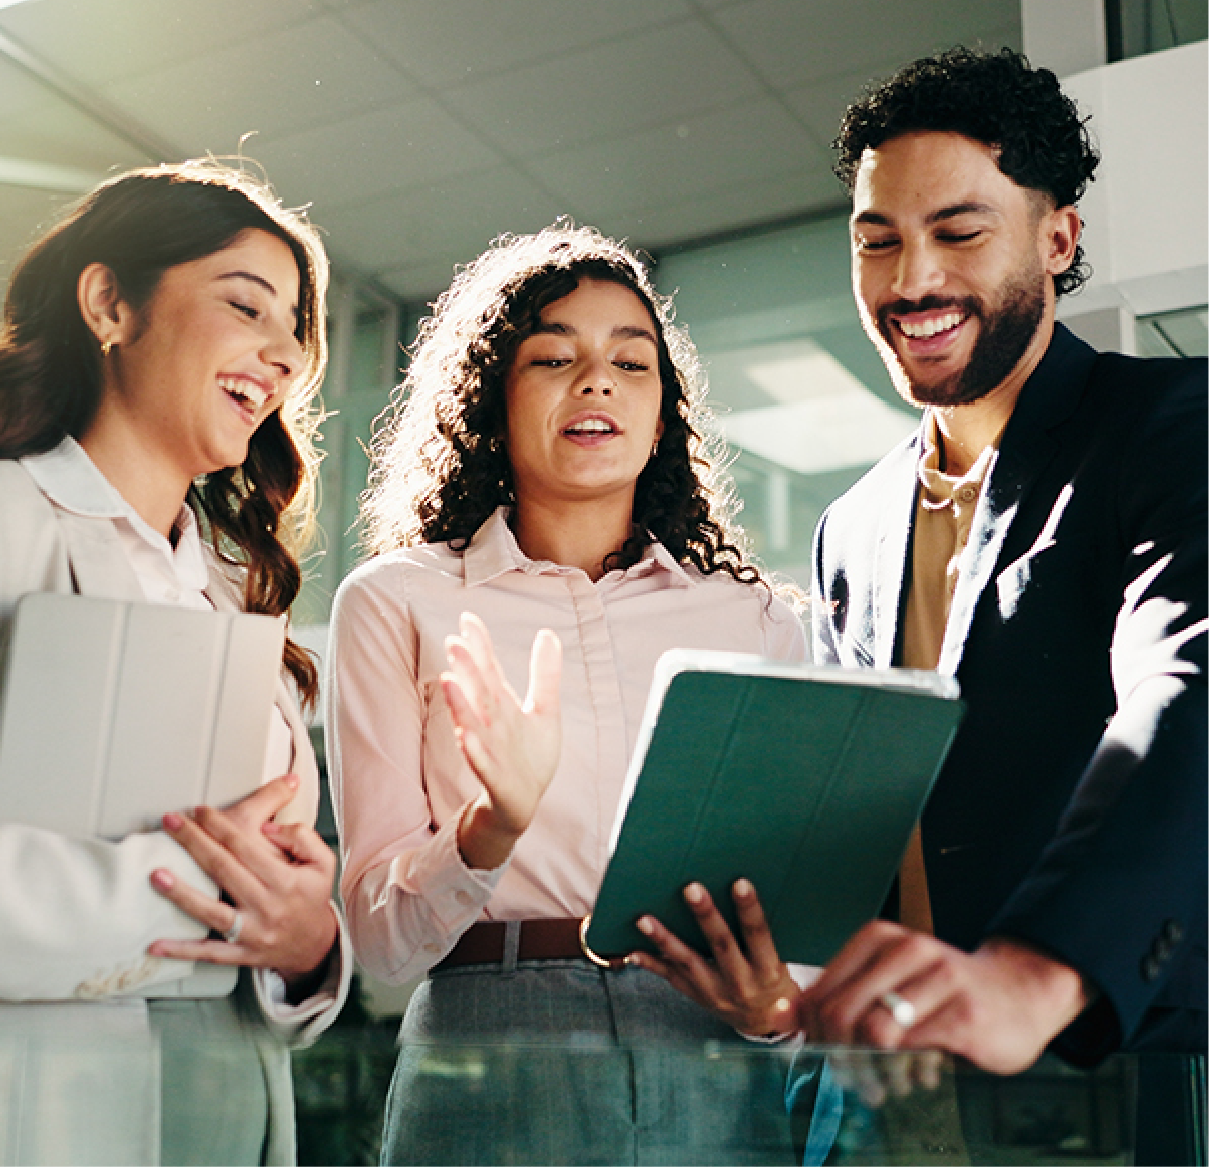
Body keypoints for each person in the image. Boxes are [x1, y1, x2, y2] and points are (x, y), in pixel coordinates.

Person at [635, 45, 1206, 1092]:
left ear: (1058, 237)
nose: (913, 280)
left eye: (959, 232)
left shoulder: (1169, 427)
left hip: (1114, 1071)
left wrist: (1040, 970)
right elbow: (870, 821)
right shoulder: (850, 528)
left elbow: (1187, 685)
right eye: (877, 241)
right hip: (902, 1091)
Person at [325, 225, 809, 1165]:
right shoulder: (396, 600)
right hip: (490, 1040)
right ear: (490, 403)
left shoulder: (749, 619)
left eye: (631, 362)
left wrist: (776, 1007)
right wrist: (490, 825)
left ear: (662, 413)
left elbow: (793, 898)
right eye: (553, 356)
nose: (597, 381)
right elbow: (380, 944)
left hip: (710, 1043)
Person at [0, 160, 352, 1166]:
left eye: (295, 330)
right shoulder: (11, 520)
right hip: (46, 1099)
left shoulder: (243, 593)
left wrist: (307, 942)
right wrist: (203, 892)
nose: (283, 355)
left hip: (231, 1102)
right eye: (247, 306)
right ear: (111, 303)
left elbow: (292, 898)